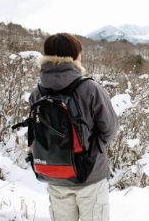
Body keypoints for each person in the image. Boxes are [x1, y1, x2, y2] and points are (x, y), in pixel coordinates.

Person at [29, 33, 118, 221]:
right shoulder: (90, 88)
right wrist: (92, 151)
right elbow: (109, 129)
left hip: (54, 174)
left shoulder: (38, 93)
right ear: (75, 56)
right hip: (89, 175)